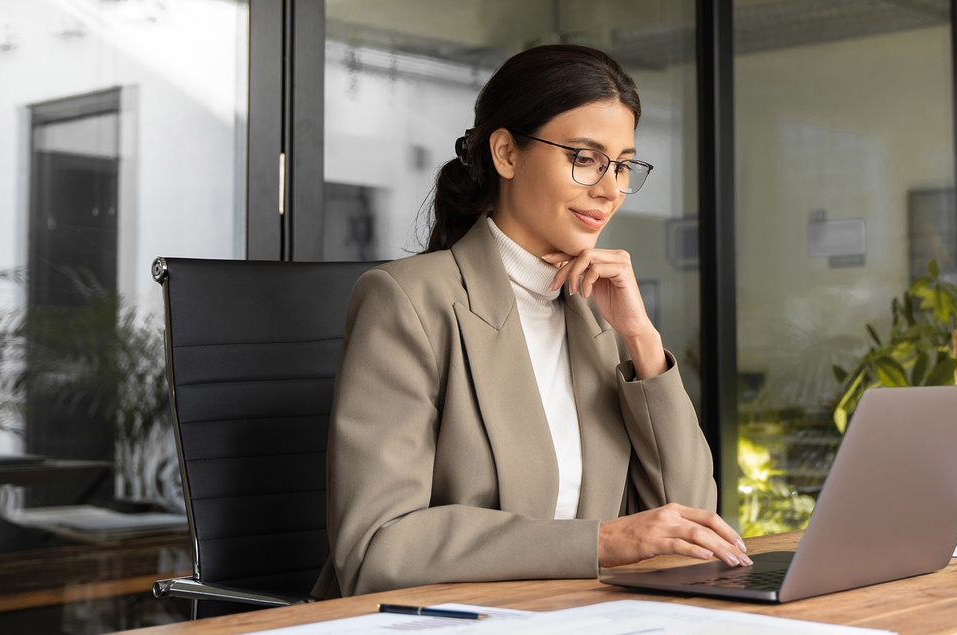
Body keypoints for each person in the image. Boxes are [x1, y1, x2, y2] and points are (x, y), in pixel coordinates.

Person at [313, 45, 748, 599]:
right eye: (585, 158)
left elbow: (689, 524)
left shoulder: (601, 313)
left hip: (580, 615)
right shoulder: (409, 301)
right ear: (506, 153)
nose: (611, 189)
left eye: (622, 165)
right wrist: (598, 543)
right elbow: (377, 547)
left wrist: (643, 342)